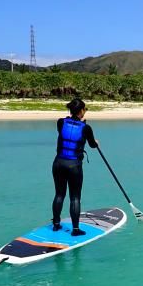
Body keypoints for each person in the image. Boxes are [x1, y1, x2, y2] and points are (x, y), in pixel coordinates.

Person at [52, 98, 98, 235]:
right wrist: (96, 142)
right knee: (75, 197)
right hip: (74, 166)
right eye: (85, 109)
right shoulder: (86, 128)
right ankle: (76, 229)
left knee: (59, 194)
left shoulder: (60, 122)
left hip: (59, 163)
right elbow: (92, 145)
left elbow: (67, 132)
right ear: (81, 111)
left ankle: (56, 224)